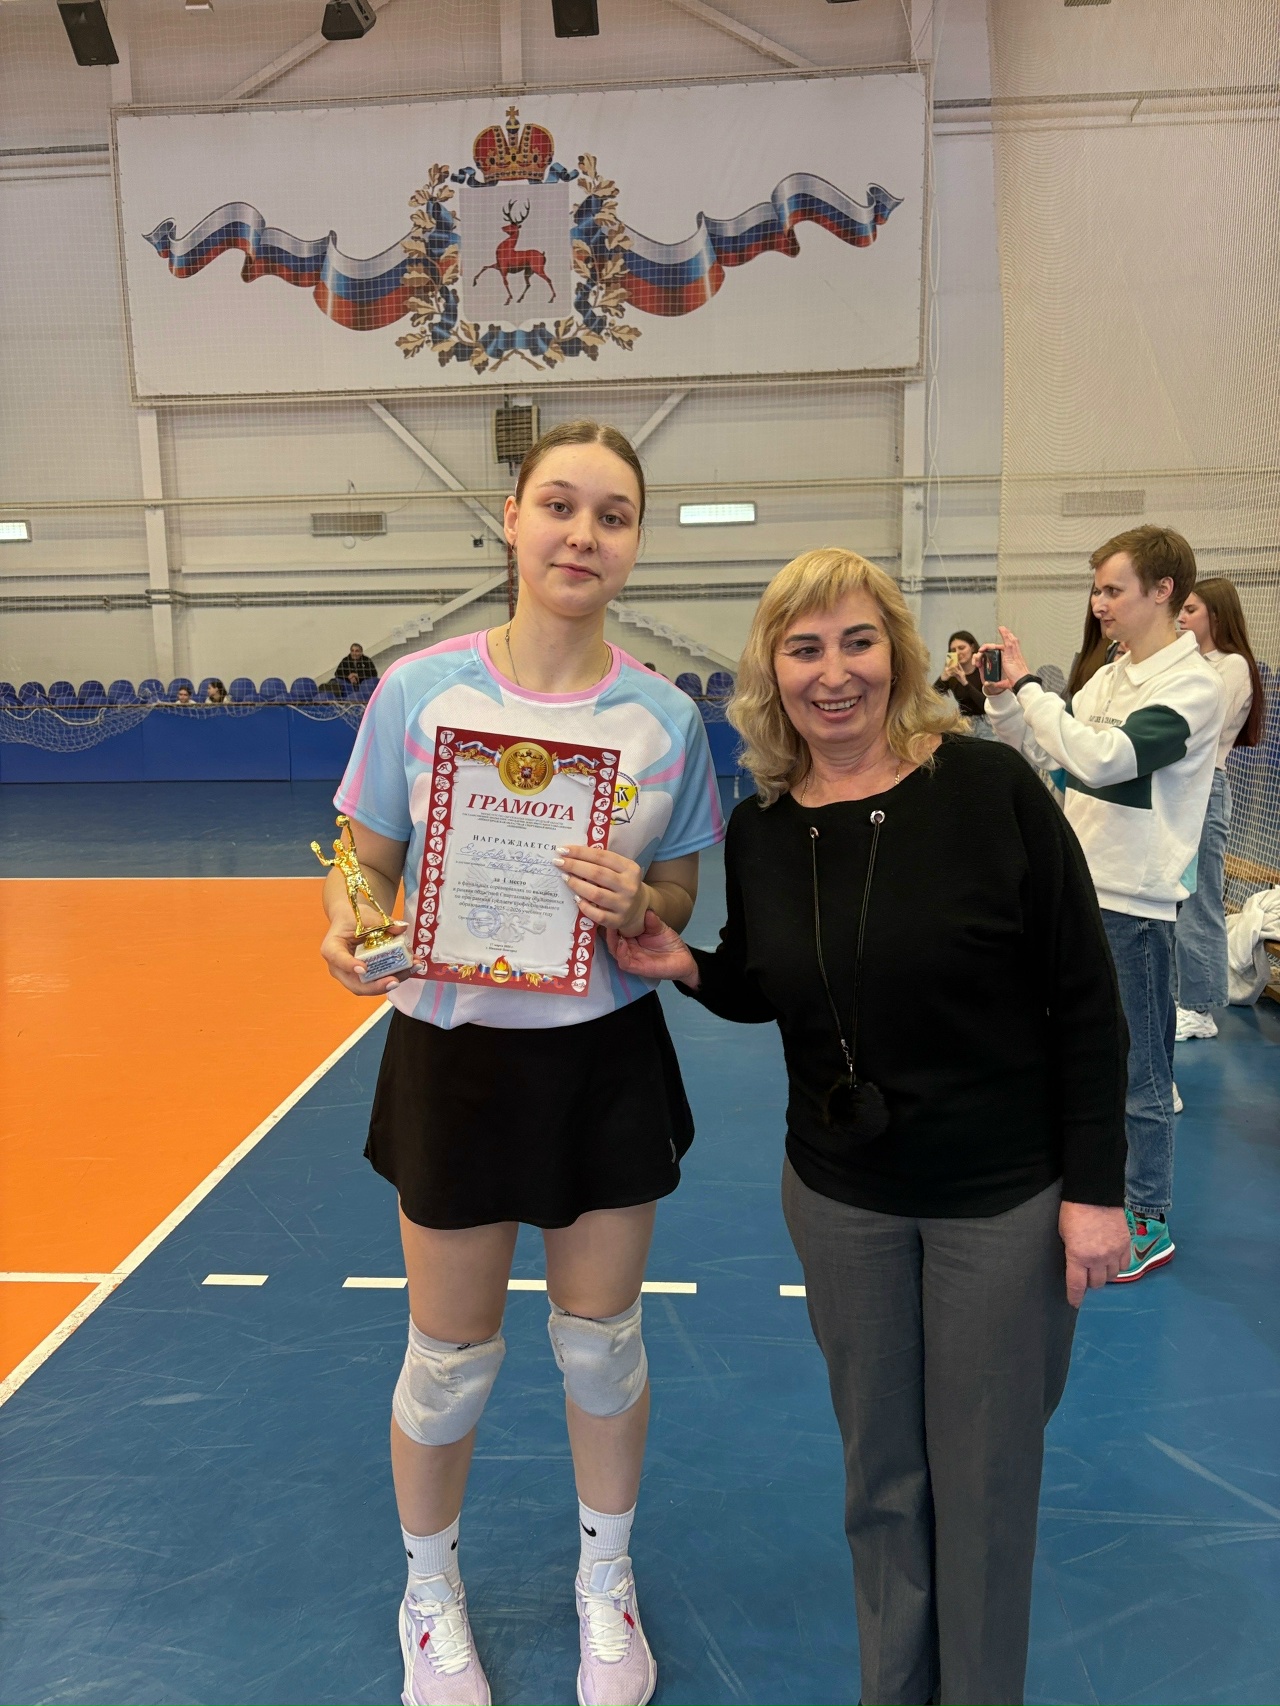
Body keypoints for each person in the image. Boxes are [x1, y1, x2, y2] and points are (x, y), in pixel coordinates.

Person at [612, 547, 1130, 1706]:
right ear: (770, 672)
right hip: (840, 1202)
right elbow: (766, 979)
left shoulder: (987, 789)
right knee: (880, 1477)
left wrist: (1095, 1191)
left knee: (982, 1481)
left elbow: (1084, 996)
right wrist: (685, 963)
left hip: (999, 1201)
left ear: (895, 653)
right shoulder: (761, 826)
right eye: (803, 649)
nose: (832, 672)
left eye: (856, 641)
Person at [319, 421, 723, 1706]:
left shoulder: (664, 717)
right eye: (558, 504)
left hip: (602, 1058)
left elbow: (678, 893)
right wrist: (346, 924)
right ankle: (427, 1592)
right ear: (510, 518)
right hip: (453, 1060)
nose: (581, 534)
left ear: (634, 542)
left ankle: (605, 1578)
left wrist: (639, 901)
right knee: (448, 1359)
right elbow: (360, 863)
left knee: (601, 1346)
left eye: (612, 514)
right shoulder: (418, 691)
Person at [983, 525, 1225, 1283]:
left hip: (1134, 907)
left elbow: (1104, 757)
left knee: (1139, 1073)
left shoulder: (1194, 686)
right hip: (1077, 892)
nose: (1099, 603)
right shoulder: (1111, 678)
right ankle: (1086, 1194)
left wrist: (1032, 692)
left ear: (1164, 591)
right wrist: (1005, 700)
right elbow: (1047, 754)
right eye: (1096, 590)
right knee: (1074, 1055)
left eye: (1113, 589)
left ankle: (1148, 1217)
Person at [1173, 578, 1263, 1039]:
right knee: (1174, 897)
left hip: (1206, 787)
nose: (1181, 617)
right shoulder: (1193, 663)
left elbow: (1200, 728)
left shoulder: (1232, 666)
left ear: (1216, 615)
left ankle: (1199, 1008)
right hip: (1177, 789)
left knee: (1199, 899)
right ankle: (1179, 995)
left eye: (1191, 610)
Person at [931, 628, 987, 718]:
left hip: (987, 720)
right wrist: (942, 678)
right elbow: (929, 700)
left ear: (972, 647)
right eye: (953, 650)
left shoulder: (983, 670)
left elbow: (987, 706)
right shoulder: (953, 675)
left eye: (961, 648)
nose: (957, 653)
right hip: (965, 722)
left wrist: (965, 683)